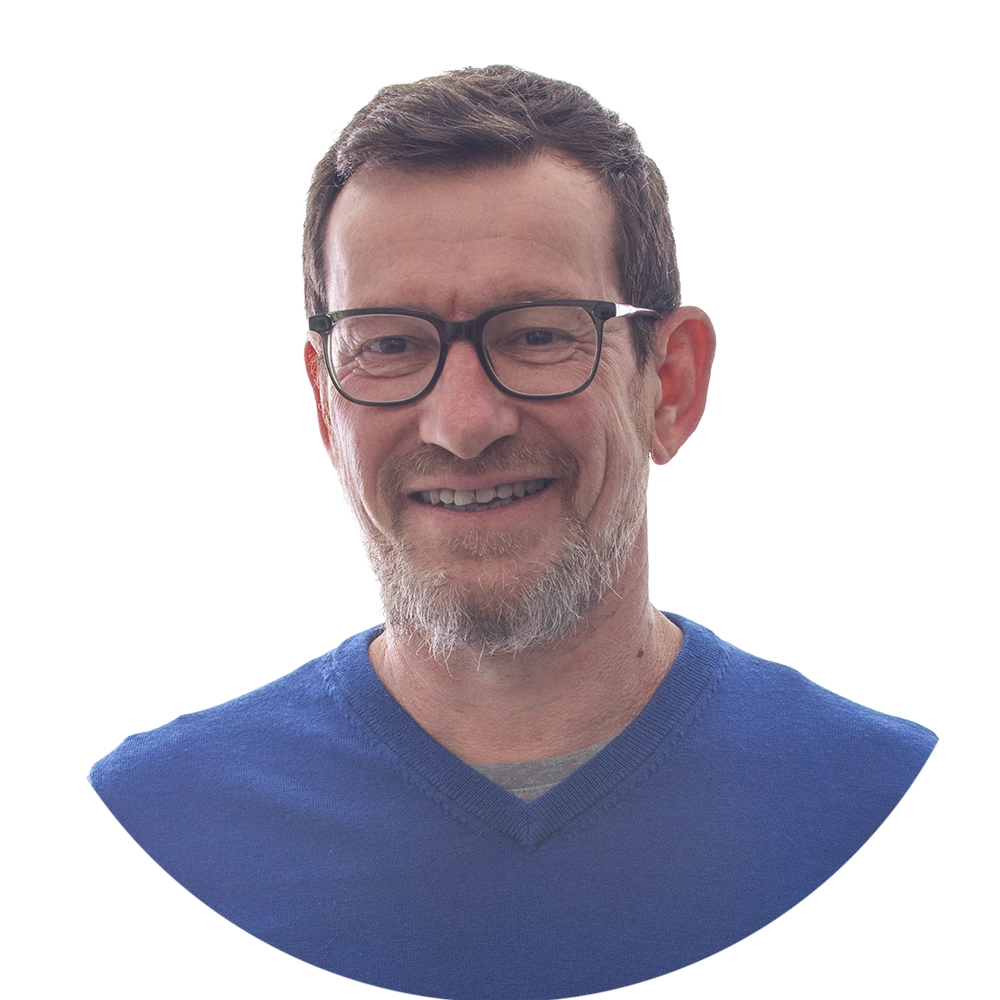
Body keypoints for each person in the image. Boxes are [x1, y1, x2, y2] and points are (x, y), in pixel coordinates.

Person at [90, 65, 936, 1000]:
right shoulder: (143, 835)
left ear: (670, 385)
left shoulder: (901, 816)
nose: (463, 424)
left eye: (537, 335)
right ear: (326, 407)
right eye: (389, 344)